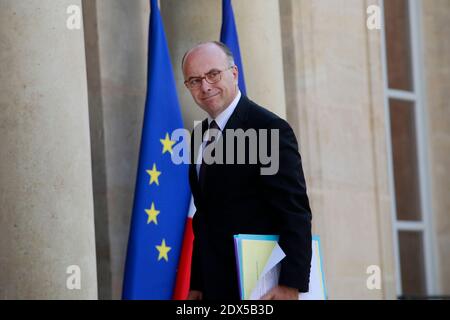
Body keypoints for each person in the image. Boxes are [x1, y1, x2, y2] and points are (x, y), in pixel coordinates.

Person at [182, 41, 312, 300]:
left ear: (234, 73)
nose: (205, 86)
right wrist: (197, 283)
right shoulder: (198, 137)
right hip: (214, 289)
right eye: (194, 80)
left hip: (262, 288)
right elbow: (204, 219)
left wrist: (291, 283)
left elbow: (294, 212)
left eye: (212, 74)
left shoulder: (268, 129)